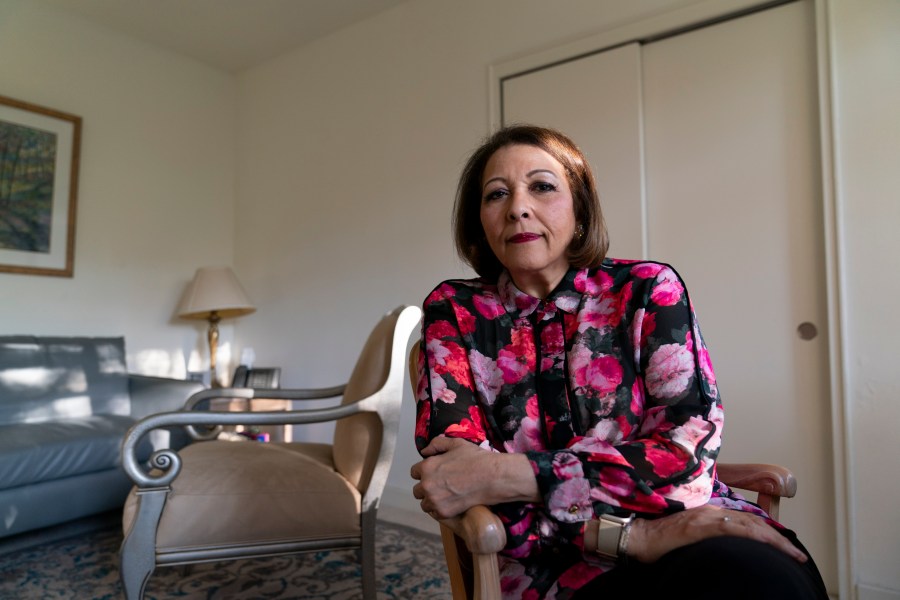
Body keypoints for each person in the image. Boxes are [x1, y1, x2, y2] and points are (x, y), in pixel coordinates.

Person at [410, 125, 829, 599]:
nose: (518, 208)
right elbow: (454, 481)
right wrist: (630, 537)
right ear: (480, 221)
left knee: (761, 582)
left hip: (689, 524)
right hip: (550, 559)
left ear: (581, 210)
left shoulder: (647, 290)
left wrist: (507, 474)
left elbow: (685, 458)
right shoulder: (454, 311)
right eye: (496, 194)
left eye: (542, 186)